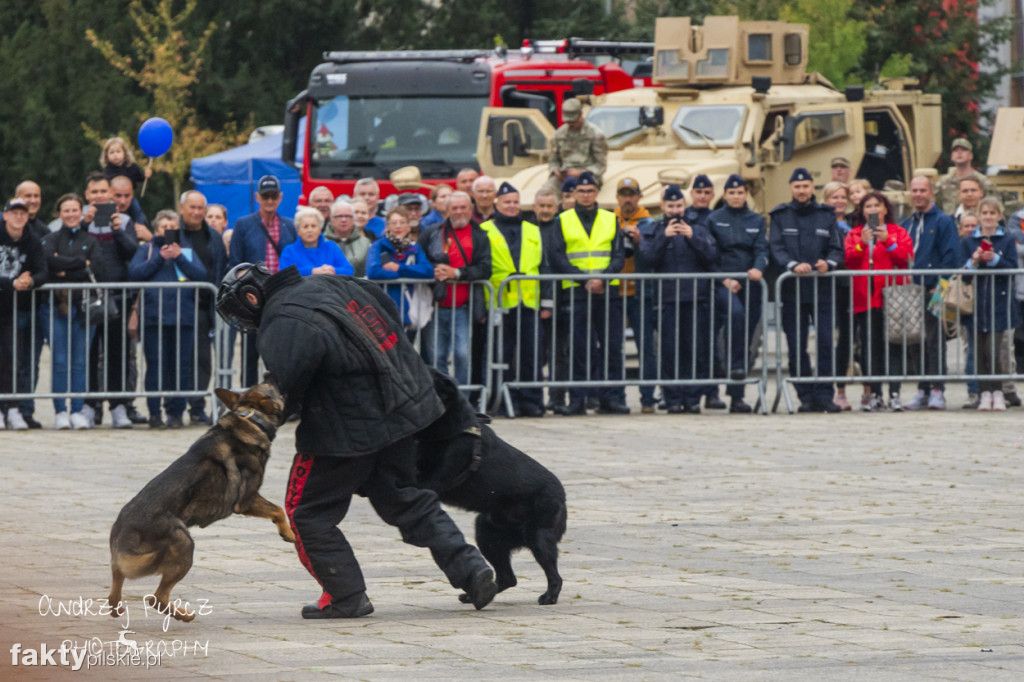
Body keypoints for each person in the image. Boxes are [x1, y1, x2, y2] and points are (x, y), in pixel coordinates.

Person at [214, 262, 500, 618]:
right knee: (403, 498)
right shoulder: (334, 283)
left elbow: (286, 387)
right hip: (399, 408)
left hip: (343, 428)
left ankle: (346, 595)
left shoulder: (280, 320)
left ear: (251, 298)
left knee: (308, 512)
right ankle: (472, 570)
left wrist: (249, 426)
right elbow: (387, 311)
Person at [548, 171, 628, 415]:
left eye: (590, 191)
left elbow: (618, 255)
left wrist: (602, 278)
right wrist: (585, 279)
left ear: (597, 192)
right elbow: (557, 256)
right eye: (581, 191)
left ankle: (611, 399)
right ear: (574, 194)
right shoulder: (563, 219)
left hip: (606, 291)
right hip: (577, 291)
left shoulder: (610, 218)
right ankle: (578, 399)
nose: (585, 195)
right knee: (579, 348)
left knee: (612, 347)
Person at [769, 168, 845, 413]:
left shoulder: (826, 215)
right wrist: (792, 265)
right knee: (796, 345)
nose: (801, 191)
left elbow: (836, 248)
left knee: (825, 343)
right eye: (797, 187)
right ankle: (805, 396)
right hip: (793, 291)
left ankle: (825, 395)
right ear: (791, 188)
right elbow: (777, 248)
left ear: (813, 187)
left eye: (805, 186)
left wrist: (828, 264)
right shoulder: (781, 216)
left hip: (821, 290)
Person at [640, 184, 718, 413]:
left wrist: (692, 237)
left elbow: (712, 255)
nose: (675, 210)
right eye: (671, 206)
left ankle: (692, 399)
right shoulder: (654, 229)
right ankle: (673, 399)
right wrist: (663, 238)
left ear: (685, 206)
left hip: (695, 299)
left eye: (679, 206)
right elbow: (647, 259)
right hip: (667, 300)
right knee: (670, 352)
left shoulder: (698, 228)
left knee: (695, 350)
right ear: (663, 206)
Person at [129, 210, 207, 428]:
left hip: (184, 319)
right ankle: (154, 413)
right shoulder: (147, 249)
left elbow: (201, 276)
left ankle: (176, 413)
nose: (168, 232)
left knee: (181, 367)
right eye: (164, 227)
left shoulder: (187, 251)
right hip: (154, 319)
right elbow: (135, 273)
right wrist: (159, 258)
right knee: (155, 367)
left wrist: (179, 256)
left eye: (172, 228)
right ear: (156, 230)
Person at [480, 182, 547, 417]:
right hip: (499, 304)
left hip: (529, 303)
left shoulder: (532, 229)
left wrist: (546, 302)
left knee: (532, 354)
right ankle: (503, 400)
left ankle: (532, 400)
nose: (511, 206)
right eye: (507, 202)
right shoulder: (485, 230)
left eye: (515, 202)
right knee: (502, 356)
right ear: (497, 203)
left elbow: (544, 267)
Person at [844, 192, 914, 412]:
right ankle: (874, 393)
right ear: (862, 211)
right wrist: (861, 245)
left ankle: (894, 394)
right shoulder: (855, 234)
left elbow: (905, 258)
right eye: (868, 206)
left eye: (877, 205)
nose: (873, 209)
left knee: (893, 346)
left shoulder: (898, 232)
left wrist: (888, 242)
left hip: (892, 298)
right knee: (869, 349)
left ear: (885, 209)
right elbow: (848, 260)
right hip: (865, 299)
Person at [82, 171, 139, 429]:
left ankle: (117, 405)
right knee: (90, 353)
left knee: (117, 353)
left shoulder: (125, 220)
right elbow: (72, 248)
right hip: (89, 298)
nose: (99, 196)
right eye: (94, 192)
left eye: (103, 191)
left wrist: (117, 231)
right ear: (87, 195)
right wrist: (83, 225)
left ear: (110, 194)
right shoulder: (79, 218)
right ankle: (90, 405)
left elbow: (132, 253)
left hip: (119, 297)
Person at [706, 175, 768, 414]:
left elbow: (762, 249)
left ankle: (737, 396)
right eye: (731, 193)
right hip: (724, 284)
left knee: (745, 335)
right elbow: (709, 255)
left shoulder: (756, 219)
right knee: (736, 316)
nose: (736, 196)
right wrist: (724, 279)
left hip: (750, 282)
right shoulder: (714, 219)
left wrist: (758, 268)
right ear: (725, 194)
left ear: (745, 194)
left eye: (740, 192)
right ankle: (721, 380)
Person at [899, 176, 961, 411]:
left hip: (935, 289)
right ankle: (922, 389)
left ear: (931, 193)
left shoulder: (944, 221)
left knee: (935, 340)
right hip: (911, 291)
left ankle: (938, 390)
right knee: (915, 340)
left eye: (922, 190)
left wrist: (942, 284)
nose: (918, 194)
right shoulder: (906, 223)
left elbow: (951, 255)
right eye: (914, 190)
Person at [229, 175, 297, 386]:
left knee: (281, 352)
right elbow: (235, 262)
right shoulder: (243, 224)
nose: (269, 200)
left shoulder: (290, 226)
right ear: (257, 197)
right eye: (265, 196)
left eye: (273, 196)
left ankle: (280, 400)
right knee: (250, 354)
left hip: (281, 297)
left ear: (280, 197)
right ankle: (248, 396)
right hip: (252, 298)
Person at [421, 191, 491, 389]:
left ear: (470, 209)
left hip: (463, 307)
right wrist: (433, 272)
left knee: (462, 354)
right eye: (455, 208)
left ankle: (463, 400)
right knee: (437, 356)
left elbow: (486, 268)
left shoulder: (480, 235)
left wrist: (457, 273)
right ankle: (443, 400)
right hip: (435, 304)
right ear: (447, 210)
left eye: (463, 208)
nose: (459, 212)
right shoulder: (432, 233)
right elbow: (420, 261)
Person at [40, 194, 98, 430]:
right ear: (59, 214)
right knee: (60, 360)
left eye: (75, 210)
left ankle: (77, 409)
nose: (71, 214)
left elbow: (95, 267)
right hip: (55, 307)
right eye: (66, 210)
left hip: (83, 309)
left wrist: (65, 266)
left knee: (80, 361)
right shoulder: (50, 238)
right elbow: (49, 265)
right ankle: (60, 410)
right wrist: (78, 263)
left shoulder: (91, 240)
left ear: (81, 213)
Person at [962, 197, 1018, 411]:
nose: (988, 217)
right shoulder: (968, 241)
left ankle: (998, 391)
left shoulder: (1007, 238)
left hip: (999, 302)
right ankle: (984, 391)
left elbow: (1011, 268)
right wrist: (974, 261)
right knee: (978, 351)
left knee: (995, 349)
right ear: (979, 215)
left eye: (992, 213)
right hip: (975, 303)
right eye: (984, 213)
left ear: (999, 216)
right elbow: (964, 274)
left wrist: (994, 259)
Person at [179, 190, 228, 424]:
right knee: (179, 360)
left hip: (205, 308)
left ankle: (197, 406)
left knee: (202, 361)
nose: (197, 213)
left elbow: (219, 271)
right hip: (178, 307)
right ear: (182, 209)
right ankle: (174, 406)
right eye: (193, 208)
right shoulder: (173, 234)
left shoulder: (214, 237)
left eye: (201, 209)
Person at [1, 198, 47, 430]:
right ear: (5, 215)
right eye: (14, 212)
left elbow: (43, 270)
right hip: (6, 297)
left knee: (13, 359)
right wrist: (11, 283)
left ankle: (13, 408)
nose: (19, 217)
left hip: (13, 309)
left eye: (23, 213)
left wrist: (30, 281)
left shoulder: (32, 240)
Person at [613, 177, 658, 413]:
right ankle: (617, 398)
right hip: (616, 292)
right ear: (617, 198)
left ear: (639, 197)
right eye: (624, 194)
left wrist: (640, 242)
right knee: (615, 348)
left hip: (641, 294)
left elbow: (655, 256)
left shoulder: (650, 223)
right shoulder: (610, 221)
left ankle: (648, 398)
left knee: (646, 348)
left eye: (632, 194)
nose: (628, 199)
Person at [685, 175, 726, 410]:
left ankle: (712, 392)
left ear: (712, 195)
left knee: (710, 344)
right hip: (691, 286)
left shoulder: (717, 218)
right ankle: (689, 394)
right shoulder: (685, 216)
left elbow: (719, 251)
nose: (702, 196)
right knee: (688, 344)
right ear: (692, 194)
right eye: (698, 192)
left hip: (712, 287)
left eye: (707, 192)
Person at [11, 181, 48, 427]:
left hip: (34, 306)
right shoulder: (8, 227)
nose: (33, 200)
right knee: (9, 360)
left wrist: (31, 279)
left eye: (36, 195)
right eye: (27, 196)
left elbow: (45, 267)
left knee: (30, 362)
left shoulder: (44, 231)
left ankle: (26, 409)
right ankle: (8, 406)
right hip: (8, 308)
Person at [366, 207, 436, 338]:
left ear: (409, 227)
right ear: (387, 226)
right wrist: (404, 275)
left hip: (409, 309)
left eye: (402, 222)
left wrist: (399, 268)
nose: (398, 226)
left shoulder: (415, 247)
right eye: (394, 223)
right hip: (384, 309)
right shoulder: (378, 246)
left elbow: (427, 271)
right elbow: (373, 271)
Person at [821, 182, 856, 410]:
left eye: (843, 197)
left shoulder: (858, 222)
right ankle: (832, 389)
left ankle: (864, 391)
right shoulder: (822, 222)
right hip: (828, 286)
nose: (840, 201)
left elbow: (863, 250)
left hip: (853, 287)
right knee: (829, 340)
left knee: (852, 339)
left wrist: (857, 249)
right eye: (834, 197)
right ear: (826, 200)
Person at [547, 98, 608, 190]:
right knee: (546, 193)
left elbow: (601, 165)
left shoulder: (595, 134)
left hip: (588, 176)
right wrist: (555, 170)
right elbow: (553, 160)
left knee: (580, 192)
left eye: (573, 121)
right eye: (568, 122)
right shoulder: (559, 134)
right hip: (564, 176)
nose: (571, 124)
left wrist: (581, 173)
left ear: (580, 115)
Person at [279, 207, 353, 276]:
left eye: (313, 226)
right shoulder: (289, 250)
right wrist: (311, 271)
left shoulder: (331, 247)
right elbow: (284, 275)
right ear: (298, 231)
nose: (310, 230)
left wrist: (333, 270)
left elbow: (349, 270)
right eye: (305, 226)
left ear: (320, 229)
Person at [936, 138, 996, 215]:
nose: (959, 152)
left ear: (971, 156)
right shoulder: (943, 183)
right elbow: (936, 208)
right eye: (955, 150)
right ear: (952, 156)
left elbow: (995, 208)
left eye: (964, 150)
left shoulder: (984, 182)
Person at [326, 199, 371, 277]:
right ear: (331, 219)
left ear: (353, 219)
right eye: (339, 216)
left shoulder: (366, 243)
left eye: (348, 216)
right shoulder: (321, 242)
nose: (344, 220)